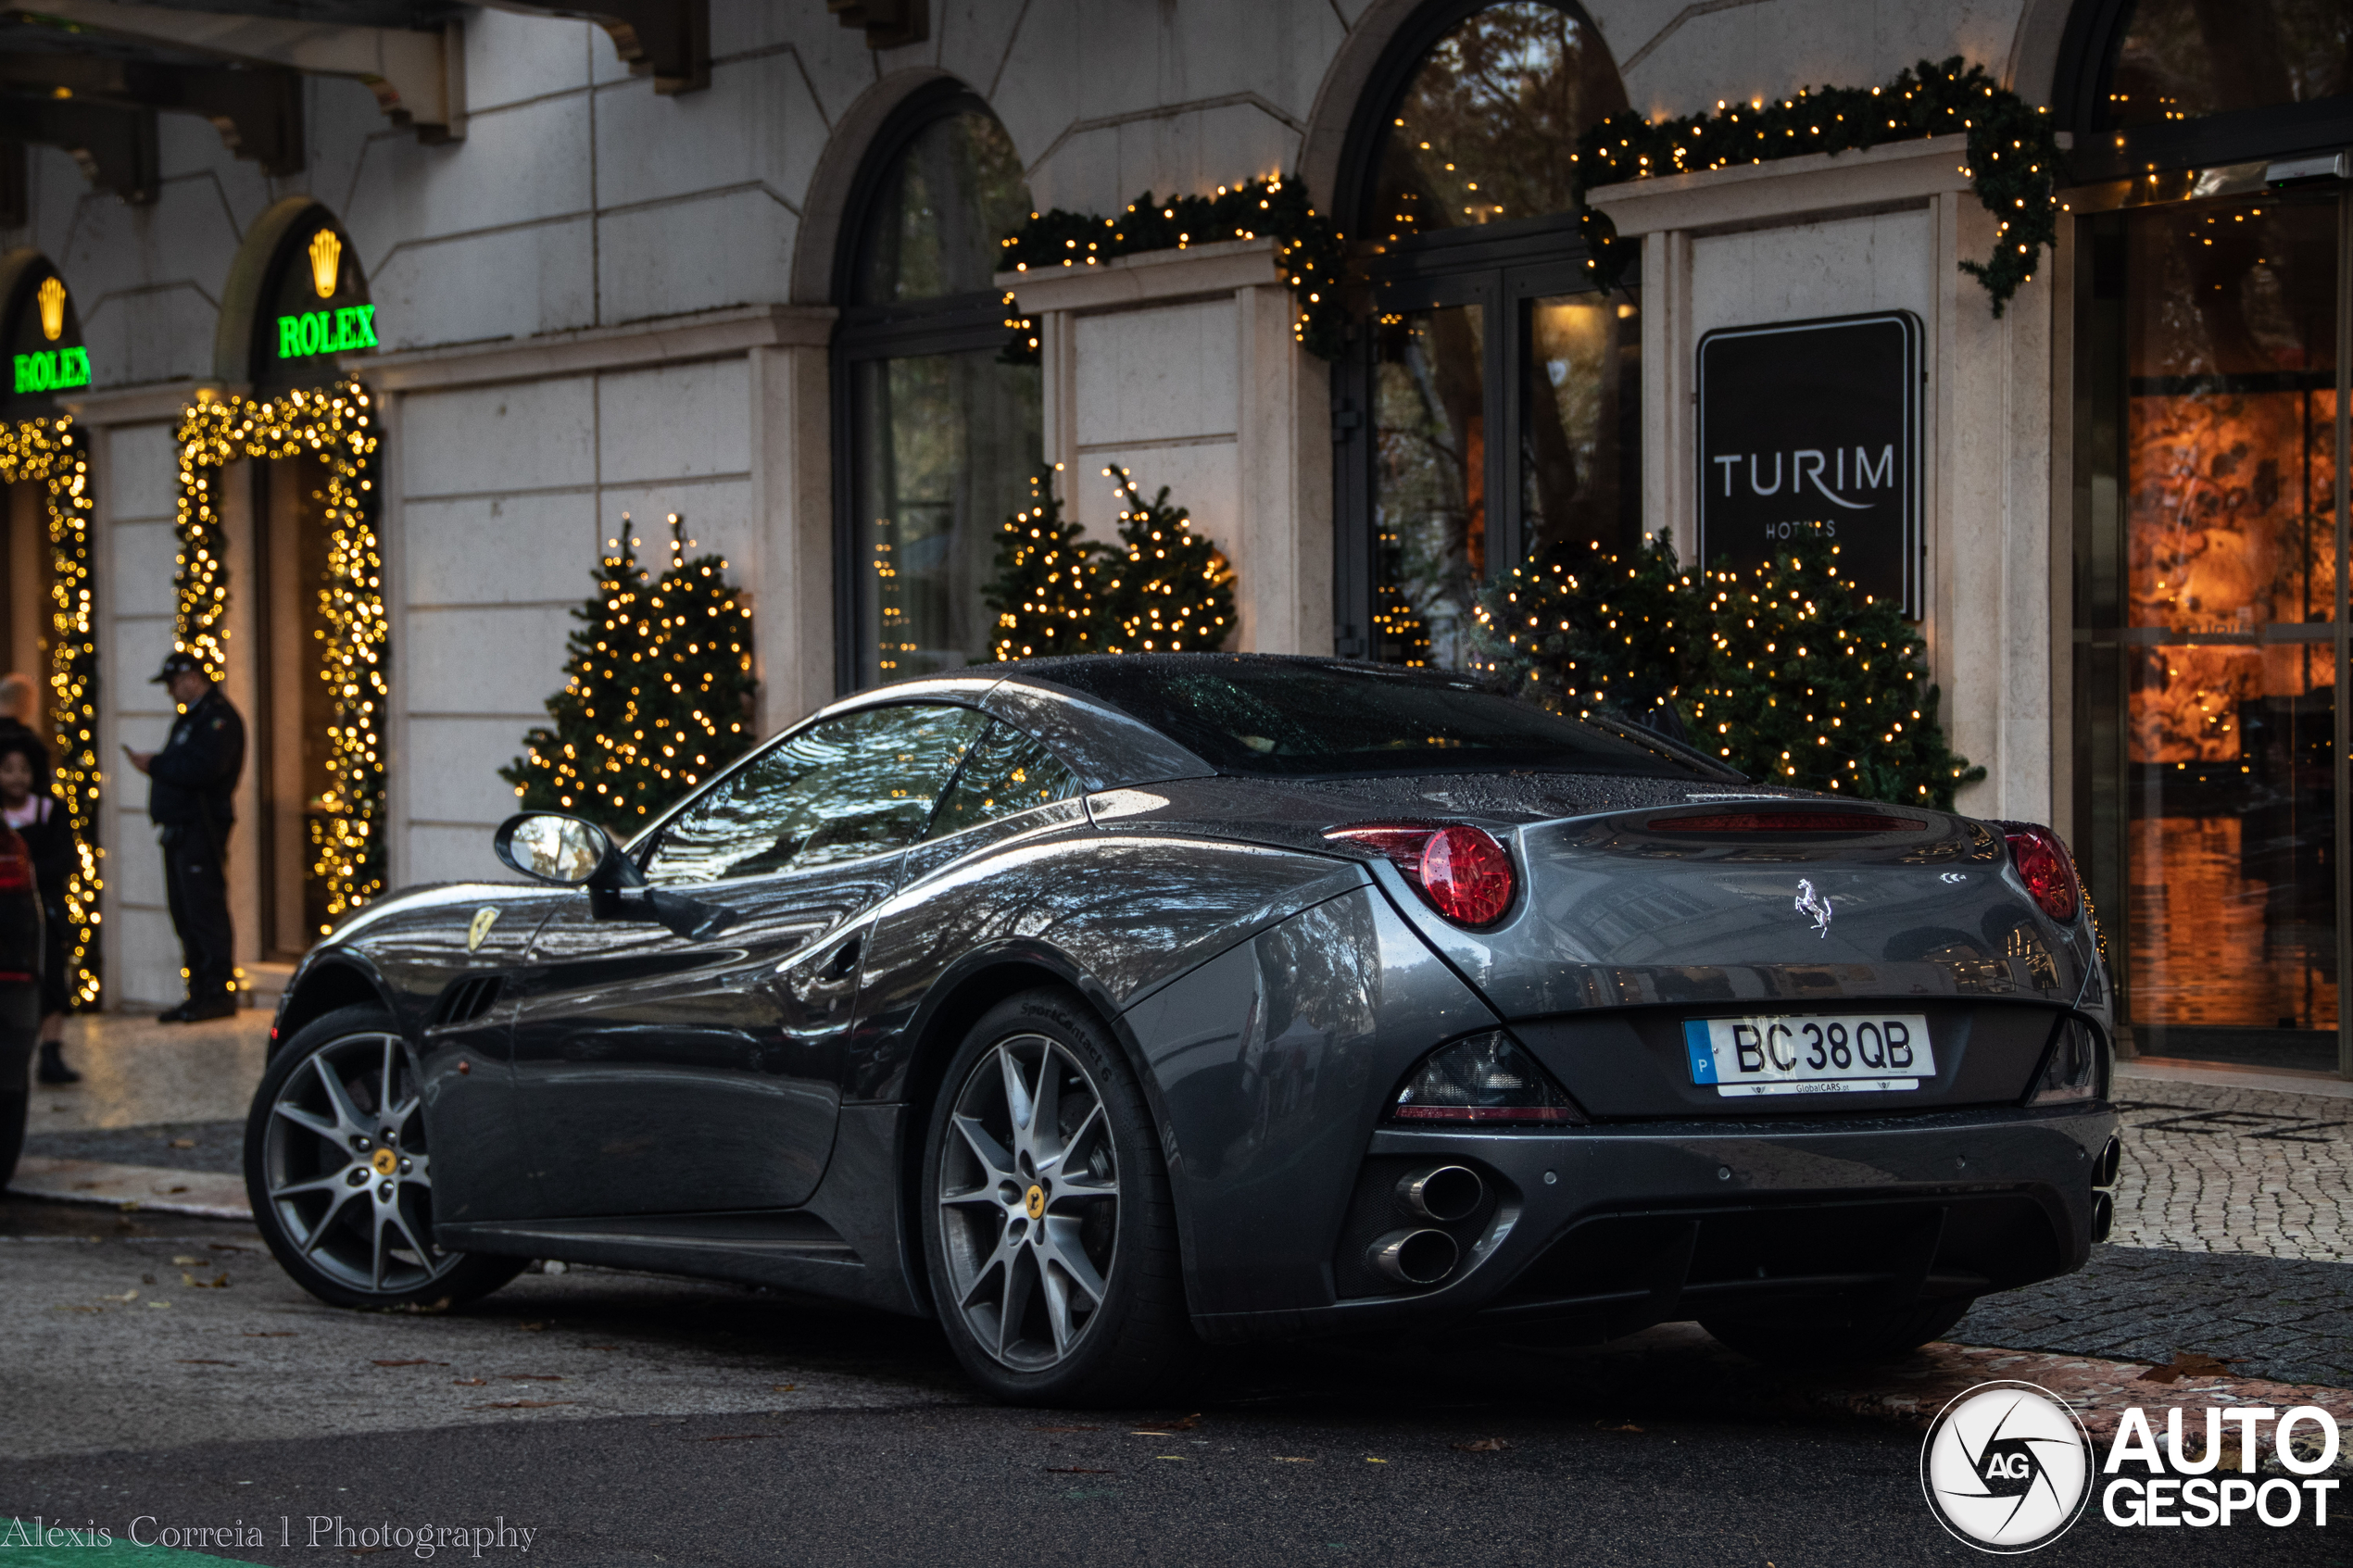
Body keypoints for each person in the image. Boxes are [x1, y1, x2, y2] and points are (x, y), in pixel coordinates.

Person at [125, 652, 245, 1023]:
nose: (171, 692)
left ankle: (217, 993)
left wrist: (156, 765)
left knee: (204, 911)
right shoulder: (193, 717)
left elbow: (205, 768)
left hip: (200, 829)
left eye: (174, 683)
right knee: (186, 914)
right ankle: (198, 993)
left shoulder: (217, 718)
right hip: (180, 831)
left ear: (192, 677)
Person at [0, 733, 76, 1083]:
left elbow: (66, 857)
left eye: (24, 770)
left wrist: (31, 873)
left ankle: (51, 1052)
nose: (17, 777)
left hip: (44, 909)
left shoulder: (50, 810)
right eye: (8, 769)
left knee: (50, 978)